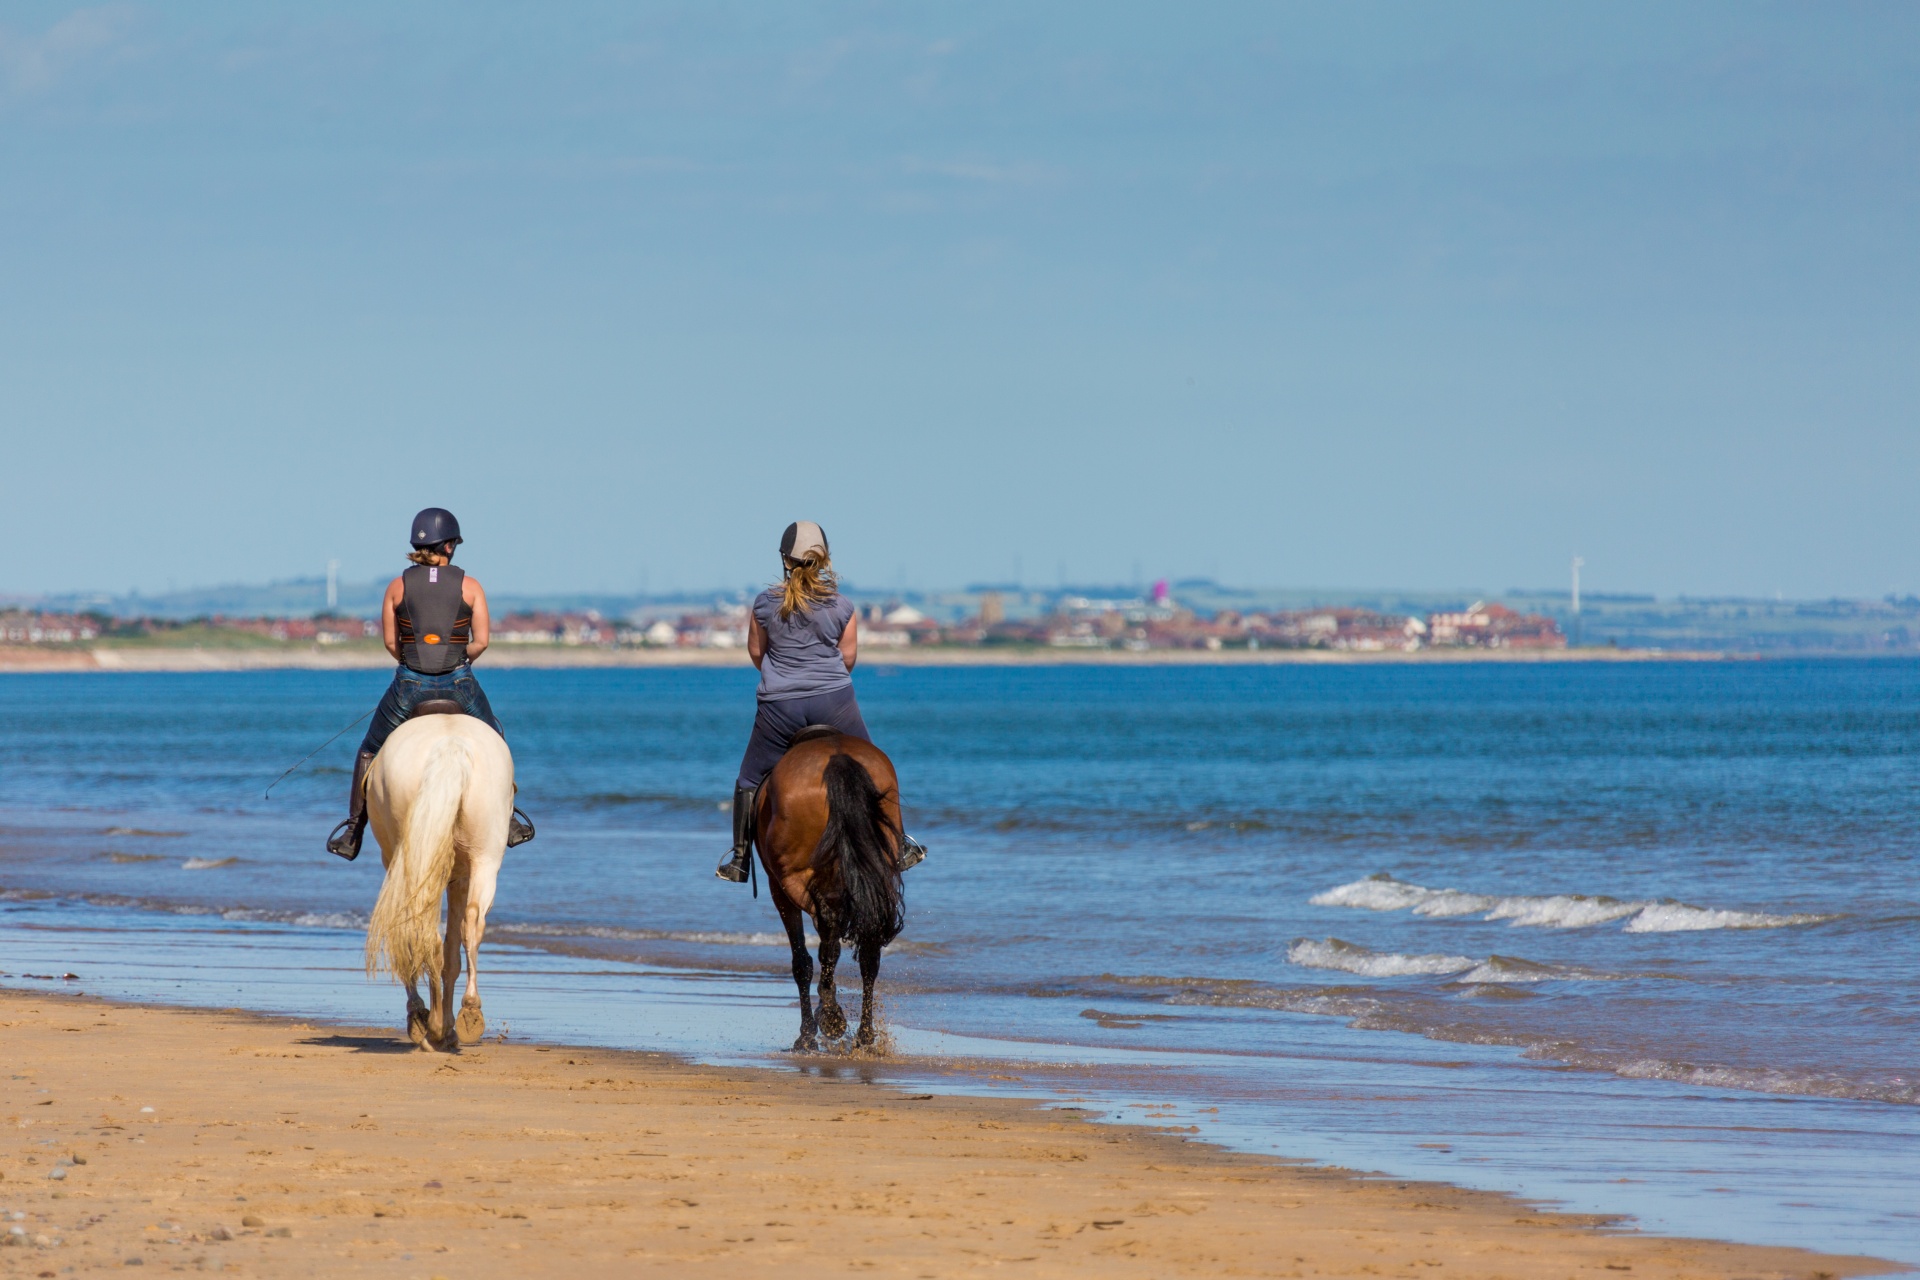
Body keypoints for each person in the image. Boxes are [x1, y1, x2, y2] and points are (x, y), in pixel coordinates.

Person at [717, 521, 924, 883]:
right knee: (876, 769)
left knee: (749, 777)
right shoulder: (843, 605)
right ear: (824, 559)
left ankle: (739, 858)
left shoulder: (765, 603)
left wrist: (783, 678)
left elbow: (756, 653)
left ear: (785, 559)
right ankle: (901, 844)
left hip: (780, 708)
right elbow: (848, 658)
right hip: (835, 703)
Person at [326, 508, 535, 861]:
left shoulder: (396, 587)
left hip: (409, 685)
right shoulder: (471, 586)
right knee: (495, 740)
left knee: (369, 749)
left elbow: (392, 644)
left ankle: (353, 830)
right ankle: (510, 818)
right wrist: (455, 661)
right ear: (450, 546)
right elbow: (481, 641)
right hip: (460, 684)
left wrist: (417, 669)